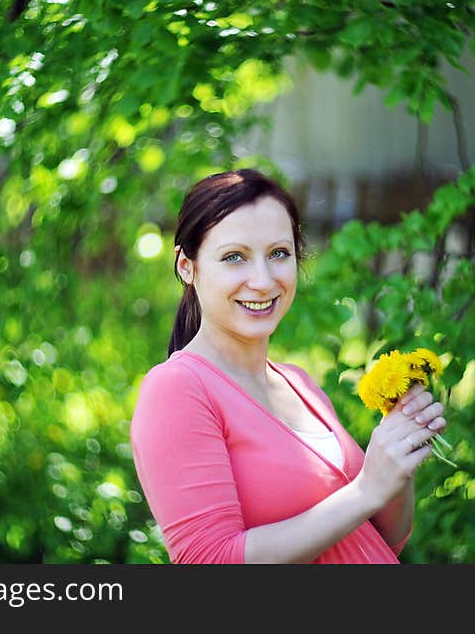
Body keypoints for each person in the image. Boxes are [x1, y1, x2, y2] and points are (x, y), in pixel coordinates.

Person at [130, 168, 446, 563]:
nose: (263, 281)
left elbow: (381, 538)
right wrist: (366, 488)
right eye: (235, 258)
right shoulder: (177, 388)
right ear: (186, 266)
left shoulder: (298, 384)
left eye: (278, 253)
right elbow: (210, 560)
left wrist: (396, 462)